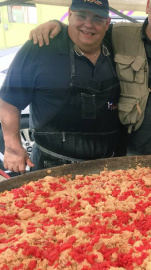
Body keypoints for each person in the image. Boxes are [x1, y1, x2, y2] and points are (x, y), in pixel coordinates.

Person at [31, 0, 151, 156]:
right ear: (147, 6)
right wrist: (57, 25)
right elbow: (86, 31)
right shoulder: (118, 34)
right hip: (127, 156)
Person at [0, 0, 122, 174]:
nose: (88, 24)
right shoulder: (40, 46)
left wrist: (55, 23)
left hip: (106, 167)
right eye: (81, 16)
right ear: (70, 15)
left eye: (97, 18)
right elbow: (9, 102)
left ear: (107, 23)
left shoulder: (115, 45)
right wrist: (12, 147)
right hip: (52, 167)